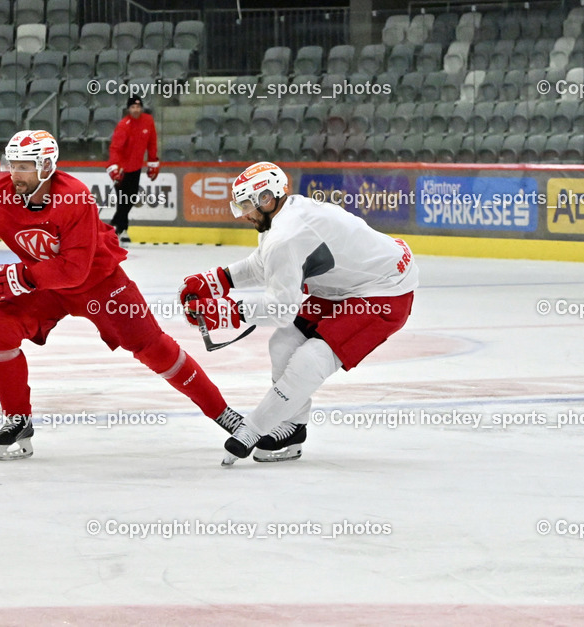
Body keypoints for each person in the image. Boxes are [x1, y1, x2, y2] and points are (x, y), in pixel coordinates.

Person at [0, 130, 242, 461]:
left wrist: (18, 275)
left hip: (98, 283)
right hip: (45, 288)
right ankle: (17, 419)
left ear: (46, 166)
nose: (15, 174)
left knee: (153, 347)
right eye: (12, 165)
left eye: (24, 167)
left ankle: (222, 412)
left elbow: (75, 268)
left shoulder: (74, 197)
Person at [179, 162, 418, 466]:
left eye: (246, 205)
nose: (244, 214)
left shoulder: (286, 234)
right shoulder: (282, 218)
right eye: (239, 206)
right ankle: (292, 428)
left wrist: (225, 313)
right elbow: (267, 262)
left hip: (386, 292)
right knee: (282, 345)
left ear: (268, 198)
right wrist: (217, 281)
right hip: (348, 286)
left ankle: (254, 429)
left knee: (310, 359)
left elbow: (280, 308)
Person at [106, 96, 159, 245]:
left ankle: (114, 227)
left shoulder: (148, 121)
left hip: (136, 168)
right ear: (128, 109)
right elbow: (115, 148)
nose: (136, 109)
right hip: (122, 170)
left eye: (138, 107)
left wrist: (153, 162)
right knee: (123, 201)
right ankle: (121, 231)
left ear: (141, 108)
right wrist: (114, 169)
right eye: (132, 107)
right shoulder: (124, 125)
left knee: (131, 199)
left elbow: (152, 142)